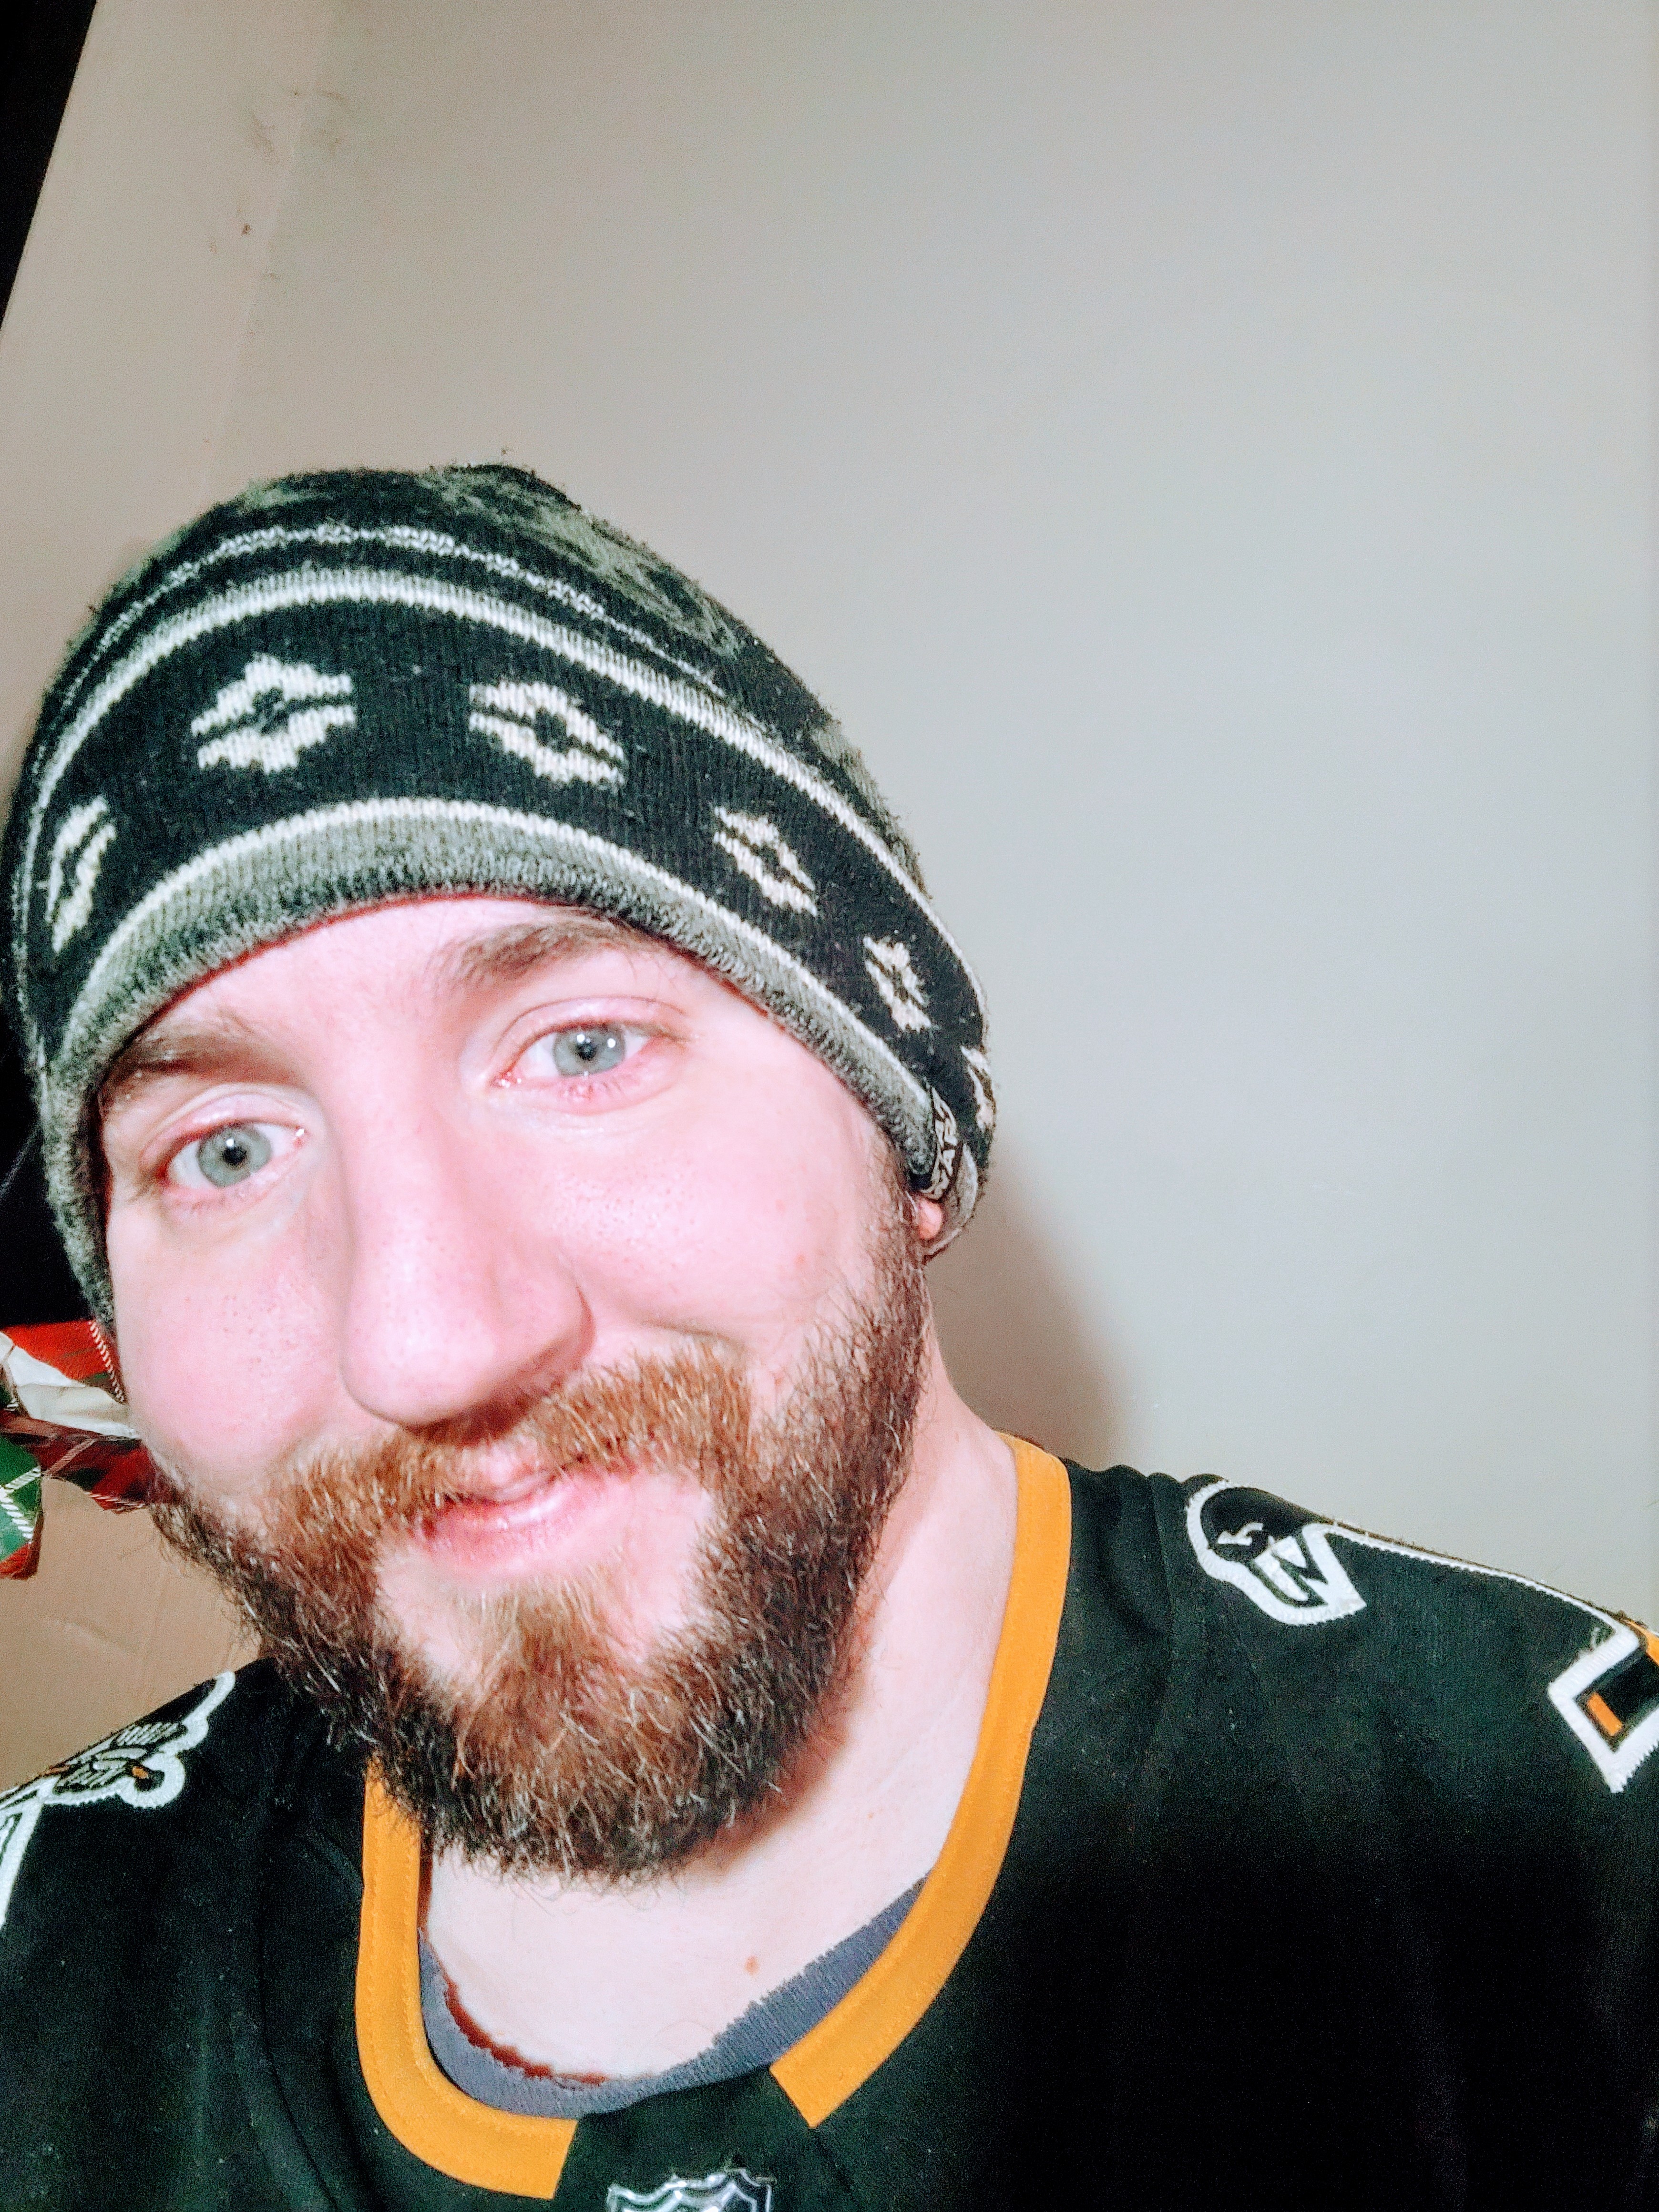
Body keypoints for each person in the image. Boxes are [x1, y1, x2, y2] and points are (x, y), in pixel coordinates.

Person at [0, 467, 1656, 2212]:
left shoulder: (1558, 1851)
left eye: (583, 1048)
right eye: (227, 1153)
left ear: (905, 1127)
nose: (424, 1342)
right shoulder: (41, 1959)